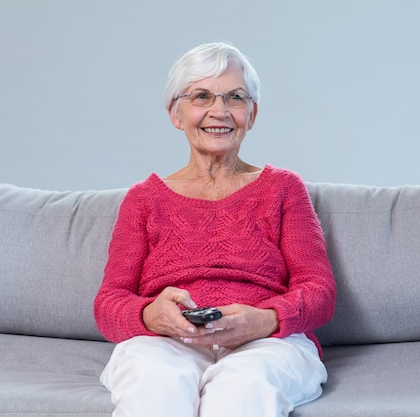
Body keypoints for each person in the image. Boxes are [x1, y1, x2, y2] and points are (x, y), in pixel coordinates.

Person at [94, 41, 337, 417]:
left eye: (235, 97)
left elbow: (320, 291)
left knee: (243, 387)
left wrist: (267, 319)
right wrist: (148, 315)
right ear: (176, 112)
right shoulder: (143, 200)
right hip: (167, 342)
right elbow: (109, 301)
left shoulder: (284, 189)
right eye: (202, 96)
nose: (219, 111)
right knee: (152, 383)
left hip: (265, 343)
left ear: (252, 113)